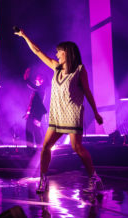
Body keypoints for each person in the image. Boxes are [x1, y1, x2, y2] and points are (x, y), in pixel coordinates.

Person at [15, 29, 104, 193]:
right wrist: (25, 36)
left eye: (59, 52)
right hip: (56, 115)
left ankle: (94, 178)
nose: (56, 54)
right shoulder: (55, 67)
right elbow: (37, 51)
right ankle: (43, 180)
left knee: (77, 147)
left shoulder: (79, 70)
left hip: (72, 114)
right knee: (45, 147)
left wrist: (96, 113)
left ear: (67, 53)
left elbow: (87, 92)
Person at [23, 67, 47, 149]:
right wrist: (27, 112)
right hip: (32, 114)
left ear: (42, 81)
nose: (36, 81)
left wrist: (26, 79)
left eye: (37, 79)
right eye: (36, 79)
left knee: (36, 132)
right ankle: (30, 150)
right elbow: (32, 104)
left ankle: (39, 150)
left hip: (37, 114)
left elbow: (32, 86)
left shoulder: (41, 89)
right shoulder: (37, 90)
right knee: (29, 131)